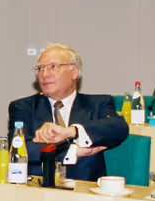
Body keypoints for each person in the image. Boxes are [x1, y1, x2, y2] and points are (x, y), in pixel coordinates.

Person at [8, 43, 128, 182]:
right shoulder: (23, 107)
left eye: (53, 67)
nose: (45, 74)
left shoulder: (98, 103)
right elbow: (20, 148)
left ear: (75, 72)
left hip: (86, 190)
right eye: (40, 68)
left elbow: (119, 128)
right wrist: (73, 152)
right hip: (38, 187)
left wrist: (72, 132)